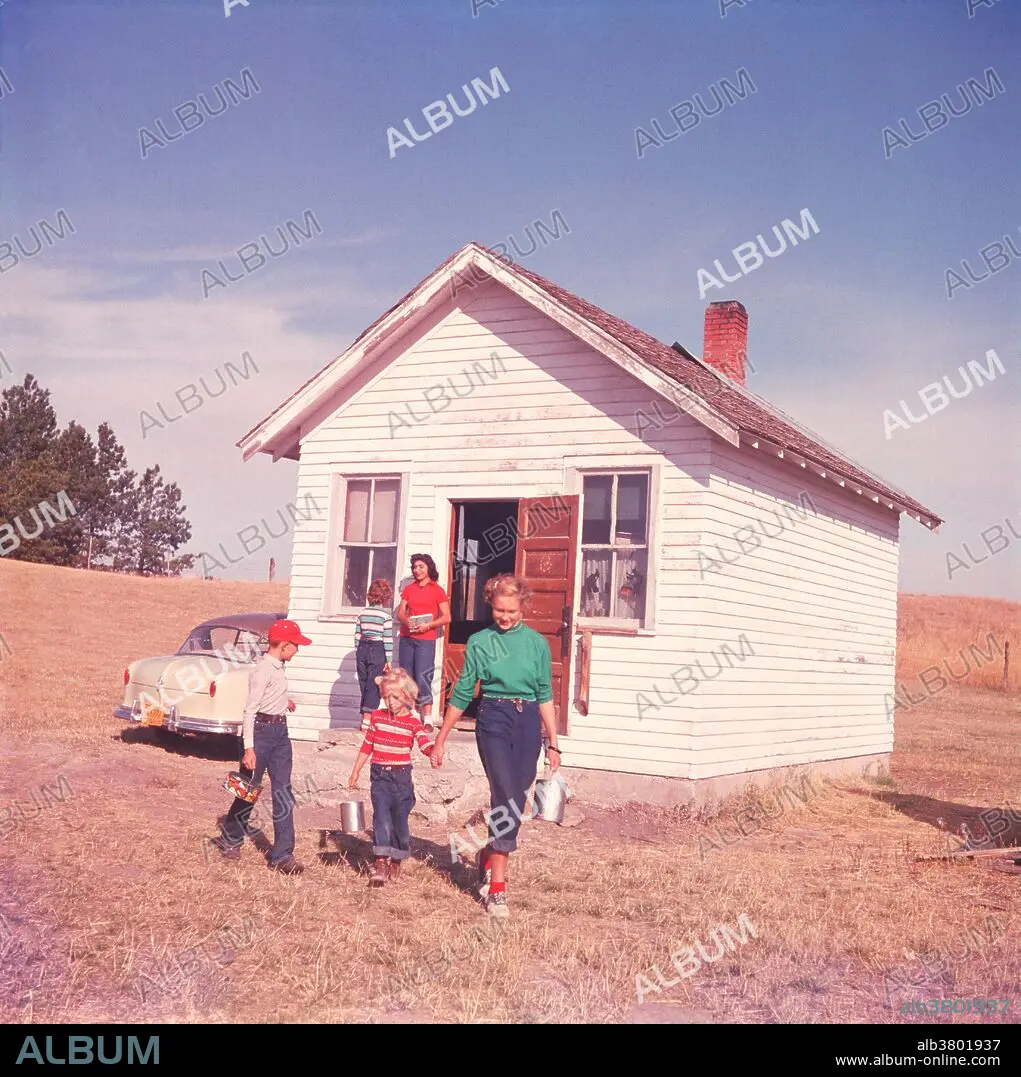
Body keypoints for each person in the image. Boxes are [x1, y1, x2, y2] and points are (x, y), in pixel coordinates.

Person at [431, 574, 561, 918]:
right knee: (505, 794)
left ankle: (488, 854)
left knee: (516, 798)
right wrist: (441, 738)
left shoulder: (537, 644)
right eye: (499, 610)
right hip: (493, 718)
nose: (505, 617)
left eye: (511, 611)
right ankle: (498, 888)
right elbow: (462, 691)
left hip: (528, 721)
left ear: (523, 607)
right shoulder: (480, 642)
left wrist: (554, 743)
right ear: (490, 604)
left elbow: (545, 694)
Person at [212, 618, 312, 874]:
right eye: (296, 645)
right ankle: (230, 838)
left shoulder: (278, 667)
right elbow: (250, 710)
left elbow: (270, 694)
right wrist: (249, 748)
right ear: (284, 645)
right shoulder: (262, 670)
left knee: (283, 793)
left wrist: (283, 702)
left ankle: (282, 855)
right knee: (247, 791)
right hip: (260, 734)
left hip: (280, 734)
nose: (298, 650)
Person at [348, 667, 433, 886]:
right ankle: (380, 862)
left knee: (399, 821)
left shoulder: (413, 722)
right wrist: (356, 770)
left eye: (394, 697)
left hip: (401, 779)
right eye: (386, 697)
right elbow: (367, 746)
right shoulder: (377, 718)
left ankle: (396, 859)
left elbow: (424, 742)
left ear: (406, 696)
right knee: (381, 818)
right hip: (380, 777)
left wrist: (433, 752)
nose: (389, 702)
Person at [395, 553, 451, 731]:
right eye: (414, 567)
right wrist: (406, 621)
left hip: (425, 640)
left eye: (421, 567)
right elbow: (400, 613)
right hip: (407, 638)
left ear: (429, 568)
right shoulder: (409, 589)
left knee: (423, 676)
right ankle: (409, 715)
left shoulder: (437, 590)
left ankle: (427, 718)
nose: (417, 570)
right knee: (406, 677)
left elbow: (447, 617)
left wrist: (428, 625)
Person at [355, 578, 394, 731]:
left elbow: (357, 635)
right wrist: (389, 660)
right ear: (386, 597)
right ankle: (367, 718)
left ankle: (365, 717)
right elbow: (387, 639)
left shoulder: (362, 613)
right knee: (374, 683)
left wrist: (358, 651)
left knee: (364, 683)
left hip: (362, 648)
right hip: (378, 649)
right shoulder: (385, 616)